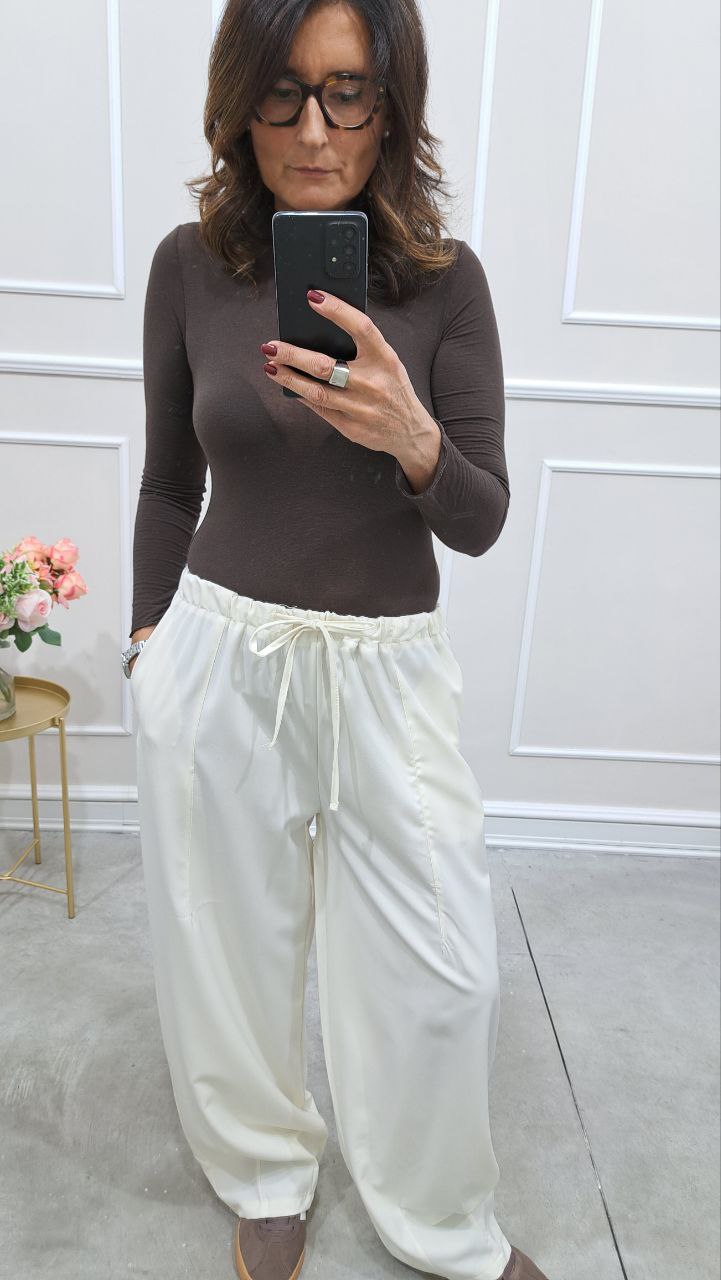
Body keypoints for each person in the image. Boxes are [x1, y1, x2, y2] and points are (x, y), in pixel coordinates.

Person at [124, 1, 551, 1278]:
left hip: (387, 667)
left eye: (347, 92)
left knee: (443, 968)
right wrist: (148, 646)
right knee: (227, 947)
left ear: (389, 105)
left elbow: (480, 518)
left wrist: (411, 437)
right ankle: (265, 1169)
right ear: (238, 104)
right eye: (284, 92)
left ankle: (442, 1219)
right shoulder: (188, 267)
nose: (314, 130)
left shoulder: (446, 281)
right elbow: (168, 483)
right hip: (221, 655)